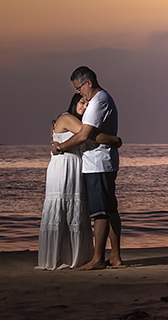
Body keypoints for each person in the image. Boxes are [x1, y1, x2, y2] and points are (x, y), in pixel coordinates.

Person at [37, 94, 122, 270]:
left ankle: (74, 254)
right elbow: (89, 136)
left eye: (87, 104)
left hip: (75, 167)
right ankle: (59, 256)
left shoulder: (78, 122)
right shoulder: (66, 118)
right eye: (82, 103)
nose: (84, 107)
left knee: (75, 210)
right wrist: (115, 140)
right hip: (64, 168)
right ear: (74, 102)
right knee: (63, 207)